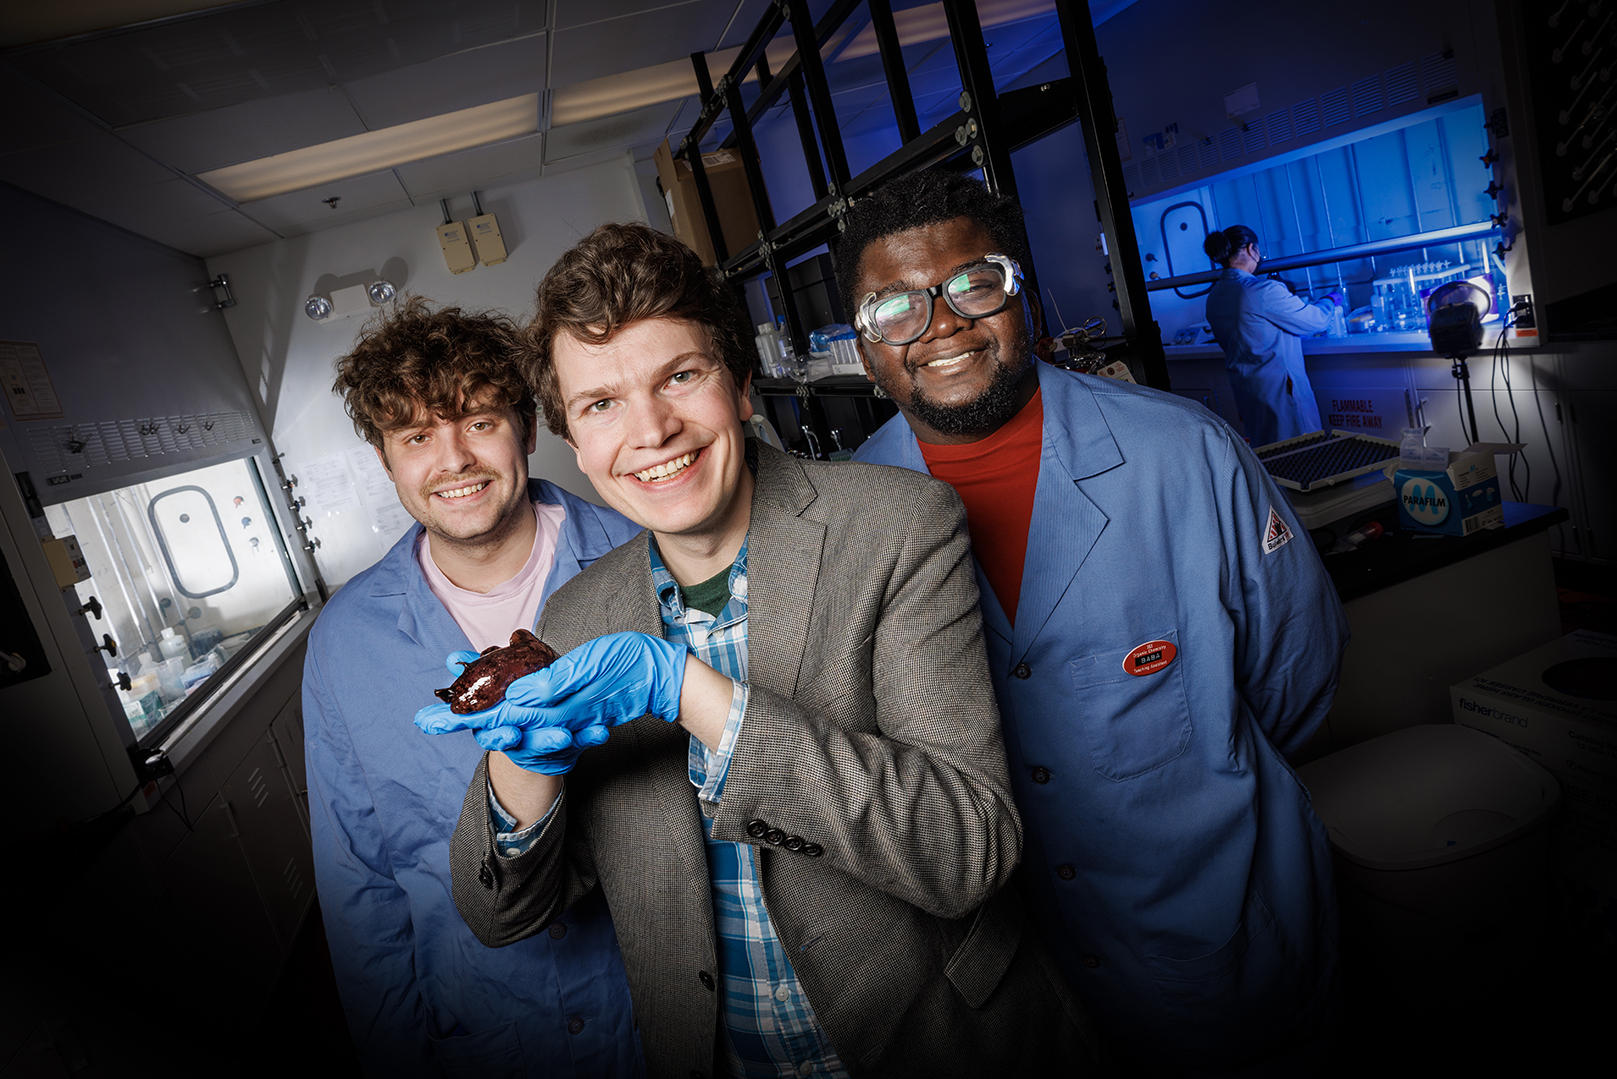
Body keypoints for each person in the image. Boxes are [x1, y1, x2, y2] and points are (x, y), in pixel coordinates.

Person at [416, 223, 1101, 1078]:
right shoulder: (578, 610)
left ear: (740, 385)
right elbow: (500, 914)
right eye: (601, 404)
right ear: (574, 441)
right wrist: (526, 771)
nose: (652, 430)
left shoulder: (896, 528)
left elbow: (968, 851)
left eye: (680, 376)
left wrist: (687, 690)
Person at [843, 169, 1350, 1074]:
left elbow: (1297, 673)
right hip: (1022, 993)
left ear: (1021, 293)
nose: (941, 326)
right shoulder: (845, 515)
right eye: (894, 308)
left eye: (973, 283)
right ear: (863, 346)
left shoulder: (1183, 451)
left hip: (1217, 946)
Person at [304, 297, 644, 1078]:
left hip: (662, 1008)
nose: (452, 458)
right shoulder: (344, 643)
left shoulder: (645, 559)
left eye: (480, 420)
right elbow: (360, 883)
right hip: (487, 1031)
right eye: (417, 435)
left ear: (526, 429)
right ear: (387, 459)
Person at [1202, 224, 1343, 446]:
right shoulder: (1262, 290)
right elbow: (1315, 320)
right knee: (1303, 452)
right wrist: (1330, 300)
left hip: (1249, 391)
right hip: (1282, 391)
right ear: (1251, 249)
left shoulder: (1214, 296)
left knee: (1268, 455)